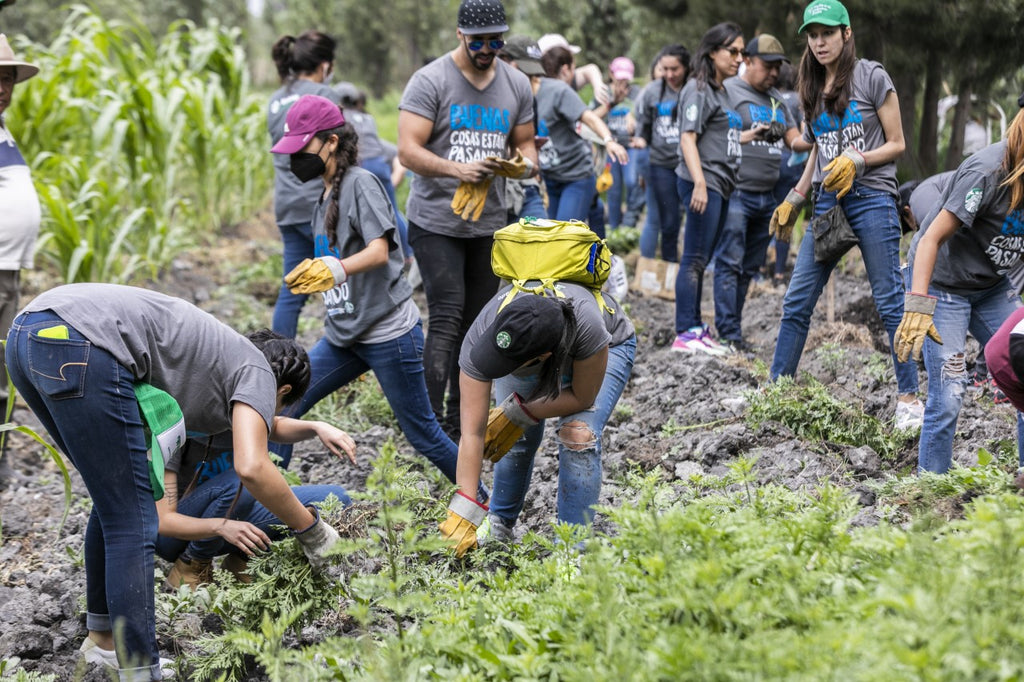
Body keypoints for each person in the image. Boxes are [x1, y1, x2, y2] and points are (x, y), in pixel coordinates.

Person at [5, 284, 343, 680]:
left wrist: (314, 427)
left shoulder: (222, 363)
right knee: (132, 521)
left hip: (29, 332)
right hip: (83, 341)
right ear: (280, 391)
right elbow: (252, 465)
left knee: (112, 500)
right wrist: (313, 532)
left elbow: (268, 427)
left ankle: (102, 644)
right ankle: (140, 669)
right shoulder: (257, 372)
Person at [268, 95, 487, 501]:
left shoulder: (361, 183)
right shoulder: (324, 194)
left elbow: (380, 251)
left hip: (388, 332)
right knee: (285, 406)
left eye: (302, 148)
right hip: (344, 334)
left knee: (423, 433)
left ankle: (483, 502)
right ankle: (273, 495)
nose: (295, 158)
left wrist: (336, 268)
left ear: (330, 142)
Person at [768, 0, 923, 430]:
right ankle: (776, 389)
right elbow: (820, 147)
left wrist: (859, 160)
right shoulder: (812, 84)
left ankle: (909, 398)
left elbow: (897, 144)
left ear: (846, 34)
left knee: (891, 302)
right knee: (797, 300)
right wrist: (796, 197)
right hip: (827, 203)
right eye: (813, 35)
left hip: (872, 197)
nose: (819, 42)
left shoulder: (871, 76)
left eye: (827, 34)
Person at [397, 0, 537, 440]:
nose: (488, 49)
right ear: (460, 35)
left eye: (497, 41)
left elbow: (528, 148)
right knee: (447, 314)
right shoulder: (430, 80)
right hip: (435, 218)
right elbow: (408, 150)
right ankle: (427, 426)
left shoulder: (515, 83)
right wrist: (457, 169)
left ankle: (460, 422)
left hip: (487, 221)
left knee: (478, 321)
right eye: (479, 41)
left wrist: (520, 166)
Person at [440, 286, 635, 554]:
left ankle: (571, 549)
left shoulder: (588, 326)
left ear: (541, 358)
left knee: (577, 435)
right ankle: (499, 524)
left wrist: (517, 412)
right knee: (515, 438)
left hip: (604, 349)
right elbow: (473, 434)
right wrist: (463, 511)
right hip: (532, 353)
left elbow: (582, 397)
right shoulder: (482, 335)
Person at [896, 100, 1024, 473]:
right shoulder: (987, 171)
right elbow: (930, 238)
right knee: (950, 393)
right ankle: (930, 492)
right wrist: (918, 303)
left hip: (993, 286)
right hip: (944, 285)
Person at [157, 422, 353, 589]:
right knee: (245, 478)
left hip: (230, 517)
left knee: (334, 498)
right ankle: (192, 564)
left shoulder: (243, 416)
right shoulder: (179, 425)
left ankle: (242, 562)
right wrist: (220, 526)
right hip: (174, 535)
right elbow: (164, 522)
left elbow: (275, 424)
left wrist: (316, 426)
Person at [712, 35, 804, 351]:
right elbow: (717, 136)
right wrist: (749, 134)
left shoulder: (778, 100)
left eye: (778, 67)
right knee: (730, 261)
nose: (774, 73)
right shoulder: (728, 91)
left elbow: (796, 142)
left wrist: (819, 131)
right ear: (748, 61)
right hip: (737, 191)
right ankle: (727, 333)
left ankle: (732, 330)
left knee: (749, 267)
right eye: (768, 66)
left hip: (768, 196)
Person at [671, 22, 744, 355]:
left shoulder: (721, 90)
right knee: (694, 258)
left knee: (703, 259)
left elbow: (720, 134)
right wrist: (699, 182)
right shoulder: (697, 89)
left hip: (721, 184)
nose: (738, 58)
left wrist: (752, 135)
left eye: (741, 52)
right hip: (703, 183)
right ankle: (685, 331)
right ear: (713, 52)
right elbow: (688, 137)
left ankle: (697, 327)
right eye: (732, 51)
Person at [267, 30, 340, 339]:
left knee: (292, 288)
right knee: (341, 285)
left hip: (287, 204)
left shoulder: (275, 99)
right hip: (320, 208)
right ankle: (346, 354)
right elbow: (340, 151)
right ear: (324, 65)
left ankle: (278, 363)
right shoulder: (324, 95)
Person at [0, 34, 40, 487]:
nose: (2, 87)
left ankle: (1, 456)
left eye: (7, 78)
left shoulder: (4, 129)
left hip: (8, 270)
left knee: (2, 372)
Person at [536, 46, 629, 223]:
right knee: (553, 237)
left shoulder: (557, 91)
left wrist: (608, 139)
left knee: (564, 236)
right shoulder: (545, 90)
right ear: (565, 69)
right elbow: (589, 121)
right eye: (573, 68)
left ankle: (599, 249)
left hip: (575, 176)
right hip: (551, 177)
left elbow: (588, 120)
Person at [334, 82, 413, 263]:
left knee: (360, 212)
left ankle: (366, 252)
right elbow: (379, 145)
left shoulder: (342, 118)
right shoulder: (367, 118)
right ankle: (409, 253)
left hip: (362, 166)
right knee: (391, 210)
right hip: (380, 164)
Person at [635, 44, 690, 262]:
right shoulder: (652, 91)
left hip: (689, 164)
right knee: (669, 222)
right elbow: (644, 129)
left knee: (694, 219)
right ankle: (670, 267)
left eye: (674, 69)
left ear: (685, 67)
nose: (669, 74)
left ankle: (691, 266)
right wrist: (639, 141)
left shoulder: (694, 90)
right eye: (664, 69)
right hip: (661, 165)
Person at [497, 35, 549, 222]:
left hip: (524, 183)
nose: (528, 78)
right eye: (523, 70)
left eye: (532, 74)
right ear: (503, 59)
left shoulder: (528, 98)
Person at [592, 56, 643, 230]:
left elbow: (644, 116)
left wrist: (633, 117)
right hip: (611, 147)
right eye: (619, 77)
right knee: (612, 188)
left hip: (630, 147)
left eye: (625, 78)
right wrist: (613, 103)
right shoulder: (603, 92)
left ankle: (629, 223)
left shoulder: (636, 93)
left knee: (631, 182)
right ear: (611, 74)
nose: (622, 81)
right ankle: (614, 228)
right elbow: (590, 118)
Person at [770, 61, 807, 285]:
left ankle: (760, 264)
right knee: (786, 218)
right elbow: (803, 134)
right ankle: (779, 272)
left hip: (770, 160)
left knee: (767, 213)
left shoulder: (771, 99)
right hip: (791, 164)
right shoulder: (799, 100)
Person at [536, 33, 609, 105]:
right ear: (564, 70)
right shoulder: (539, 94)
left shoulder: (566, 81)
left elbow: (590, 69)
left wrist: (598, 86)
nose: (574, 65)